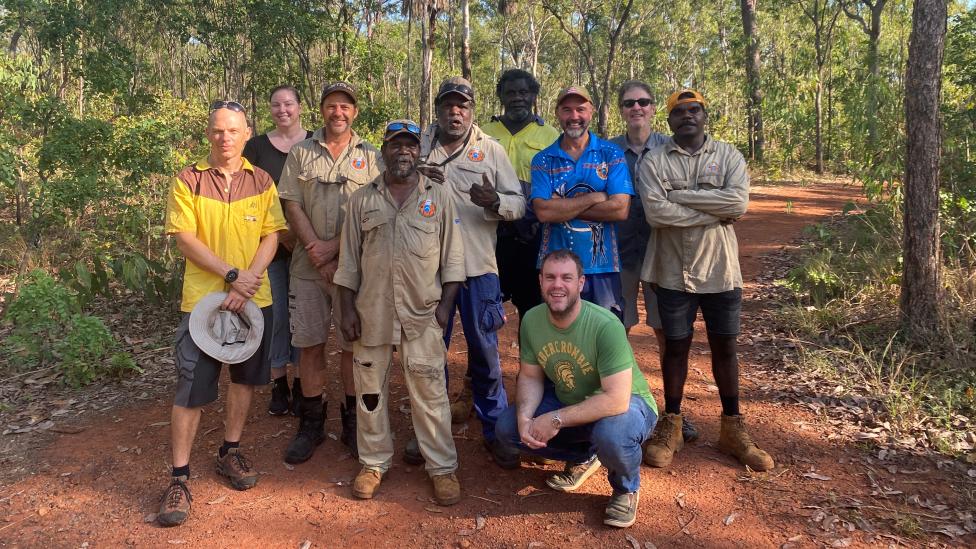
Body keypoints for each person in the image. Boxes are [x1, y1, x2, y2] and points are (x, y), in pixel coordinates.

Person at [157, 100, 286, 527]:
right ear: (208, 133)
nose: (224, 138)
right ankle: (179, 477)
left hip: (253, 299)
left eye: (232, 130)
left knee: (246, 381)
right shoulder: (188, 180)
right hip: (203, 303)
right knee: (191, 389)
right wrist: (231, 273)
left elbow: (272, 234)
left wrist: (249, 278)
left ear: (247, 133)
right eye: (217, 131)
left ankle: (230, 451)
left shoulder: (262, 180)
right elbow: (185, 239)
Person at [638, 89, 774, 472]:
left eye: (694, 110)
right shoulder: (653, 160)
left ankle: (732, 427)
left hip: (720, 270)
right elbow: (655, 213)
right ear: (669, 121)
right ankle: (673, 423)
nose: (687, 116)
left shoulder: (729, 156)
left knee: (725, 349)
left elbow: (738, 204)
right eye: (679, 112)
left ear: (704, 115)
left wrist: (681, 196)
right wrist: (711, 209)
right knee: (676, 347)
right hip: (671, 271)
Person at [335, 119, 466, 506]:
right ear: (384, 151)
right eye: (396, 145)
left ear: (418, 152)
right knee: (370, 394)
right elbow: (347, 264)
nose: (403, 152)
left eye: (410, 146)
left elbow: (453, 262)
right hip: (371, 312)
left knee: (430, 393)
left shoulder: (438, 197)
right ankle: (374, 463)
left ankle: (442, 468)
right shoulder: (362, 199)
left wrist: (444, 310)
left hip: (422, 314)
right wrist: (345, 311)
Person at [405, 77, 524, 467]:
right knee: (427, 352)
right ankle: (430, 431)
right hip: (428, 269)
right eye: (448, 106)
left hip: (477, 267)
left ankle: (495, 429)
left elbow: (519, 204)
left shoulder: (491, 150)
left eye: (463, 106)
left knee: (485, 350)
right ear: (437, 110)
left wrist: (495, 202)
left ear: (472, 110)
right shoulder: (417, 148)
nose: (455, 112)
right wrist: (417, 178)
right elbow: (389, 192)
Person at [494, 249, 658, 529]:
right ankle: (586, 455)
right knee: (508, 429)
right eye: (550, 277)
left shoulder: (605, 325)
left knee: (613, 434)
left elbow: (616, 399)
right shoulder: (533, 320)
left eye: (566, 278)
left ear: (580, 283)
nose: (558, 285)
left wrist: (556, 419)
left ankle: (625, 488)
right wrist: (525, 417)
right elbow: (531, 377)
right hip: (572, 400)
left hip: (628, 405)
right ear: (541, 281)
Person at [277, 82, 383, 463]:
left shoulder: (371, 156)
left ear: (355, 112)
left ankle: (353, 424)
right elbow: (290, 204)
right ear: (321, 110)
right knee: (310, 344)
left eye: (345, 107)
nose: (338, 112)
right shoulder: (301, 152)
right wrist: (317, 252)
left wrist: (335, 249)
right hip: (308, 269)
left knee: (354, 346)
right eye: (331, 106)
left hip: (356, 269)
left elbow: (376, 209)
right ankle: (311, 423)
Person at [609, 80, 698, 444]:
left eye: (643, 102)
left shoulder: (670, 147)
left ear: (652, 107)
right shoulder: (608, 150)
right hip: (620, 252)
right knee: (618, 330)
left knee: (668, 333)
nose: (637, 108)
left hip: (665, 255)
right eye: (630, 103)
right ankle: (623, 403)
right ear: (621, 108)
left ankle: (672, 413)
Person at [530, 86, 631, 321]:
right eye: (567, 110)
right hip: (556, 269)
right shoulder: (544, 159)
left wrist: (561, 206)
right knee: (559, 335)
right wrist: (597, 197)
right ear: (557, 113)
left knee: (604, 333)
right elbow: (543, 212)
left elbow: (620, 208)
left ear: (592, 112)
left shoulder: (611, 154)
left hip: (602, 267)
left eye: (580, 109)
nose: (574, 117)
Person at [243, 85, 314, 417]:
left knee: (303, 317)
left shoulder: (316, 141)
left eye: (288, 103)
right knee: (277, 317)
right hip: (269, 246)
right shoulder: (255, 147)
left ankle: (303, 382)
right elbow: (245, 195)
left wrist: (304, 236)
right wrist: (276, 233)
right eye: (276, 104)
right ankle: (279, 382)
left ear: (300, 107)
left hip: (308, 245)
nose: (282, 109)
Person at [483, 69, 560, 320]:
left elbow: (558, 185)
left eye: (523, 92)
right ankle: (488, 360)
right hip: (490, 235)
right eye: (511, 92)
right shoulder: (483, 133)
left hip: (533, 236)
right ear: (501, 97)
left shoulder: (549, 135)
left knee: (533, 310)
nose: (517, 98)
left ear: (534, 96)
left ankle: (531, 359)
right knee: (487, 307)